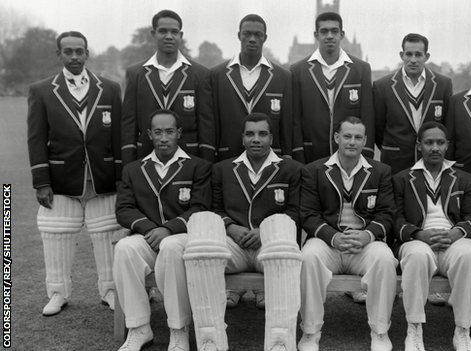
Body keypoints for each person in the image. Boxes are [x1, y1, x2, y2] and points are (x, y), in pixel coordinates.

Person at [183, 112, 302, 350]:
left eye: (262, 134)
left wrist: (264, 231)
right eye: (250, 134)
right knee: (201, 249)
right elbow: (214, 209)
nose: (255, 139)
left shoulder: (292, 169)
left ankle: (280, 342)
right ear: (242, 138)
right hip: (233, 247)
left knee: (284, 247)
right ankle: (211, 339)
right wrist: (230, 226)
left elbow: (297, 212)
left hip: (270, 248)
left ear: (271, 137)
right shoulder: (223, 169)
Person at [27, 31, 125, 316]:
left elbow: (117, 137)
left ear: (87, 53)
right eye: (67, 52)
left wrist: (119, 176)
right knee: (56, 235)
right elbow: (35, 138)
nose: (74, 57)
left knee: (107, 233)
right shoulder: (42, 90)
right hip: (61, 178)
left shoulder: (109, 88)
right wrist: (41, 181)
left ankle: (109, 290)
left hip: (102, 176)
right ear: (59, 55)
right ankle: (57, 293)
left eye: (79, 51)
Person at [113, 110, 211, 351]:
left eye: (169, 131)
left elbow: (200, 208)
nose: (164, 138)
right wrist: (150, 228)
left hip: (182, 239)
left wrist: (168, 229)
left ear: (179, 133)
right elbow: (124, 210)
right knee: (125, 248)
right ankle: (139, 327)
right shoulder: (134, 169)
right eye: (158, 132)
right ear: (149, 135)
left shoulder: (198, 166)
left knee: (170, 246)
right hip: (148, 236)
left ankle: (178, 330)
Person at [298, 117, 397, 351]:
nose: (352, 142)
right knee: (308, 257)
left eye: (358, 137)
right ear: (336, 138)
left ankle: (380, 330)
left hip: (364, 244)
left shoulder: (381, 171)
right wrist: (334, 237)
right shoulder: (314, 170)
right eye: (347, 136)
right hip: (329, 242)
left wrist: (367, 235)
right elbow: (309, 215)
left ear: (365, 141)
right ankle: (310, 331)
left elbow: (387, 214)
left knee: (384, 258)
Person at [392, 122, 471, 351]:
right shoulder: (403, 178)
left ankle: (462, 330)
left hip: (454, 239)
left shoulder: (463, 178)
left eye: (440, 143)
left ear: (447, 146)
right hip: (417, 240)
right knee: (417, 256)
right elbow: (396, 220)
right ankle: (414, 329)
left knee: (469, 254)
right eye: (429, 142)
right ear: (419, 145)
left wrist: (455, 233)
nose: (435, 148)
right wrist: (419, 234)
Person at [121, 9, 214, 165]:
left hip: (188, 160)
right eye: (163, 31)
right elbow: (129, 124)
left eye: (174, 32)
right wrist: (127, 166)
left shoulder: (200, 74)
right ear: (153, 34)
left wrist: (206, 165)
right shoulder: (136, 74)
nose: (169, 36)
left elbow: (206, 124)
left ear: (180, 35)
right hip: (146, 159)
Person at [291, 12, 375, 163]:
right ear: (316, 35)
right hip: (312, 155)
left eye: (334, 31)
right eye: (324, 31)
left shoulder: (361, 69)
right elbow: (295, 119)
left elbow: (367, 115)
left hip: (351, 157)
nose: (329, 36)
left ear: (342, 34)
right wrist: (298, 154)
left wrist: (367, 152)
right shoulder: (298, 70)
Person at [211, 14, 293, 161]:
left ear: (265, 38)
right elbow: (213, 121)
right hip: (228, 157)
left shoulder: (283, 77)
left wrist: (287, 154)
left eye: (258, 35)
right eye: (247, 34)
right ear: (239, 35)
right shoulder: (217, 74)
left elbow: (287, 123)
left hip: (270, 159)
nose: (252, 39)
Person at [373, 33, 453, 174]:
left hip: (432, 162)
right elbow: (379, 128)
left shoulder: (443, 84)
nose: (413, 60)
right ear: (401, 55)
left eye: (418, 54)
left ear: (426, 56)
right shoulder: (382, 86)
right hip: (395, 162)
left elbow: (447, 124)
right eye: (409, 54)